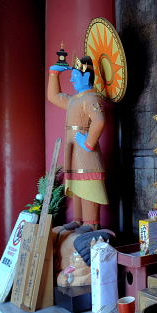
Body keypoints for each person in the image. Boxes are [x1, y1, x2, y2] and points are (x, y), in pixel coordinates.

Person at [48, 55, 107, 230]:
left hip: (85, 150)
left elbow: (99, 121)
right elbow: (54, 96)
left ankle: (91, 223)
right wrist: (53, 74)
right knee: (76, 183)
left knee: (88, 184)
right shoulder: (75, 99)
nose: (72, 79)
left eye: (75, 76)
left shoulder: (91, 98)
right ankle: (79, 219)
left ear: (86, 76)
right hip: (74, 150)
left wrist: (88, 142)